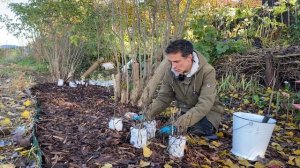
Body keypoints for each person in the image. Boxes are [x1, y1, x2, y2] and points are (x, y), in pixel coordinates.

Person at [133, 39, 224, 138]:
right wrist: (147, 115)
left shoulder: (207, 71)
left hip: (208, 113)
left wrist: (179, 125)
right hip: (185, 111)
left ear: (189, 58)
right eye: (171, 62)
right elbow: (163, 98)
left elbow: (205, 104)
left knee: (196, 131)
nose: (174, 66)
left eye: (177, 61)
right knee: (166, 131)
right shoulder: (170, 72)